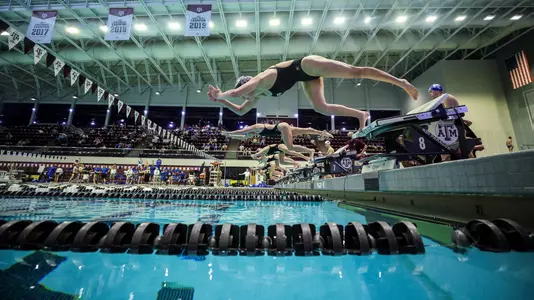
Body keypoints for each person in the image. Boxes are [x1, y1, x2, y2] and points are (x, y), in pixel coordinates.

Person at [207, 55, 419, 130]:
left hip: (306, 65)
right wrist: (222, 103)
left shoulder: (260, 80)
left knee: (356, 72)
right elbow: (242, 112)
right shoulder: (260, 94)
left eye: (247, 94)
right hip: (305, 79)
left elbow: (235, 93)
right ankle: (361, 115)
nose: (248, 98)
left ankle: (400, 82)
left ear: (248, 86)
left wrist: (220, 95)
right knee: (322, 108)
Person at [428, 84, 484, 158]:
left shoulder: (446, 98)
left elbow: (450, 115)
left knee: (456, 151)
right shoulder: (443, 99)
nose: (430, 94)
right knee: (463, 150)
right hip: (454, 127)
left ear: (436, 91)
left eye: (431, 92)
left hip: (454, 127)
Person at [223, 122, 333, 153]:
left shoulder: (256, 127)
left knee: (289, 147)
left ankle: (310, 150)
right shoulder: (255, 133)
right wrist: (232, 136)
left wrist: (229, 133)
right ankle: (323, 133)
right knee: (306, 130)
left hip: (281, 128)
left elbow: (240, 132)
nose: (248, 136)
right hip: (283, 127)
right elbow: (242, 137)